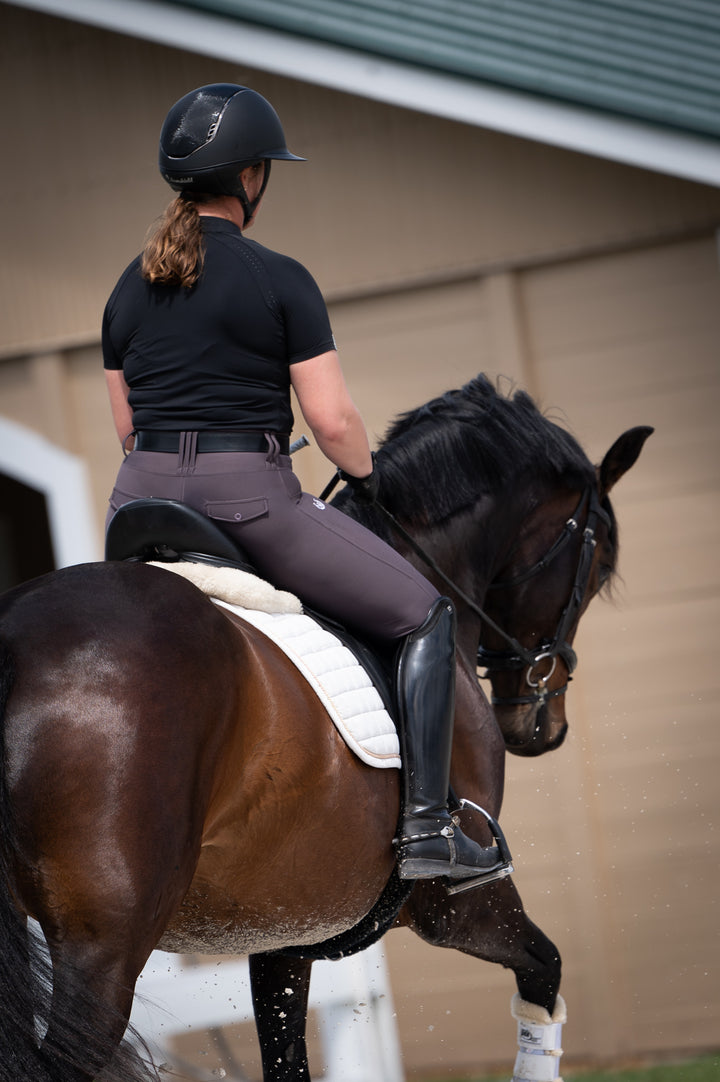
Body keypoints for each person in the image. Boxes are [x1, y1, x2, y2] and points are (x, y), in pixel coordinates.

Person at [103, 83, 499, 882]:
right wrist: (367, 477)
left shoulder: (126, 290)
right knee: (424, 615)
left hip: (138, 504)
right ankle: (427, 828)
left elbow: (126, 428)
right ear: (250, 177)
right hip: (247, 499)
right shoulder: (279, 277)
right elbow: (333, 421)